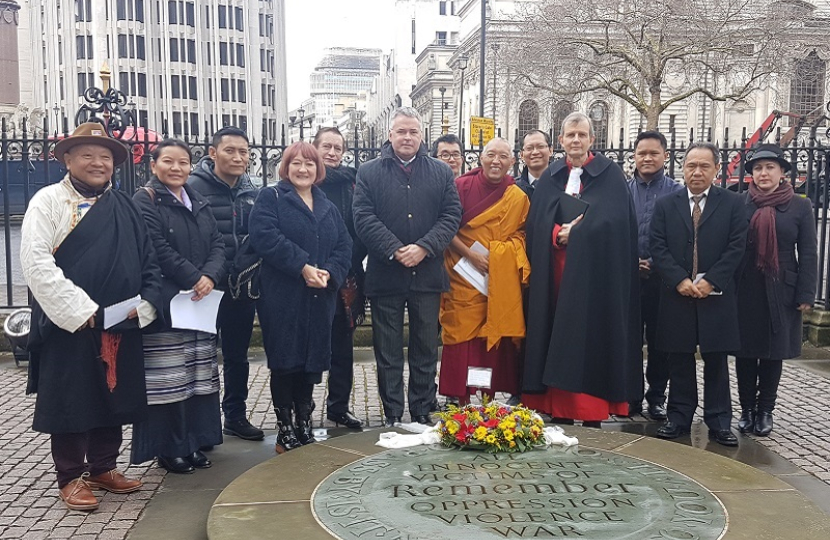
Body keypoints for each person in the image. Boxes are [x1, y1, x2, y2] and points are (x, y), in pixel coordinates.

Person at [20, 123, 162, 511]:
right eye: (87, 155)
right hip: (71, 322)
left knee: (113, 393)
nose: (98, 163)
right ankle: (69, 476)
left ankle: (103, 466)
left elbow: (148, 259)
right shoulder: (48, 202)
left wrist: (147, 303)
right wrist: (78, 310)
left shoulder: (126, 206)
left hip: (119, 320)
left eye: (105, 157)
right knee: (72, 397)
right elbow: (36, 262)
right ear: (67, 159)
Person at [523, 112, 641, 428]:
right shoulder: (551, 177)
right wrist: (555, 234)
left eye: (582, 135)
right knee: (555, 334)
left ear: (591, 139)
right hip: (555, 278)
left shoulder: (610, 175)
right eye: (570, 135)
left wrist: (578, 233)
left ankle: (592, 413)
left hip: (594, 279)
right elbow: (536, 224)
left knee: (591, 337)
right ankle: (558, 408)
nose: (576, 140)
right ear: (561, 140)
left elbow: (616, 224)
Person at [353, 107, 462, 427]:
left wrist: (425, 247)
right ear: (390, 135)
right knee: (387, 350)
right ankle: (392, 412)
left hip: (427, 275)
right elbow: (363, 217)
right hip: (386, 274)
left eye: (413, 132)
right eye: (401, 131)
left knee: (425, 348)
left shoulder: (441, 172)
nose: (407, 137)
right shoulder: (368, 172)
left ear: (422, 135)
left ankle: (422, 407)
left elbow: (451, 215)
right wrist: (394, 248)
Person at [249, 142, 352, 453]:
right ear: (286, 167)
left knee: (310, 363)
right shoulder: (271, 197)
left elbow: (344, 245)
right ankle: (285, 429)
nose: (303, 169)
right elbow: (265, 237)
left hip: (320, 297)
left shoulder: (326, 204)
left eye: (309, 164)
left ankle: (304, 424)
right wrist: (302, 266)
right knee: (285, 362)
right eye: (296, 163)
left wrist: (330, 273)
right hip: (283, 296)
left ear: (318, 169)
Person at [131, 139, 226, 474]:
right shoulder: (145, 200)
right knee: (168, 379)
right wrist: (194, 276)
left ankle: (195, 441)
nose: (176, 168)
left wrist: (210, 276)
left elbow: (217, 243)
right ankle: (170, 448)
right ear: (153, 165)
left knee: (198, 376)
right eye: (168, 161)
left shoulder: (197, 200)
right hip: (168, 301)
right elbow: (156, 247)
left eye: (183, 162)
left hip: (199, 302)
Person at [650, 142, 748, 447]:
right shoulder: (666, 204)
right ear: (682, 168)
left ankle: (719, 421)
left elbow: (737, 246)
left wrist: (712, 280)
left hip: (715, 296)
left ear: (717, 169)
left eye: (704, 166)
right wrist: (678, 279)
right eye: (691, 165)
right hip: (677, 294)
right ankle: (679, 417)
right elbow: (657, 245)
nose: (697, 172)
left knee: (716, 359)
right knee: (679, 358)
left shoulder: (732, 203)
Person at [438, 138, 530, 404]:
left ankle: (487, 395)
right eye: (491, 155)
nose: (496, 161)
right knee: (461, 338)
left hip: (496, 280)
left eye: (503, 156)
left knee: (490, 339)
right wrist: (471, 256)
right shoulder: (460, 187)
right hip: (462, 276)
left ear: (512, 161)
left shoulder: (517, 197)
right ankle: (459, 397)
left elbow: (522, 236)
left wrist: (499, 257)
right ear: (480, 158)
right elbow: (445, 228)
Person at [188, 126, 264, 442]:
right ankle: (200, 427)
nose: (237, 157)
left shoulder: (252, 190)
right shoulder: (193, 188)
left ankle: (235, 415)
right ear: (213, 153)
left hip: (240, 287)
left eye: (243, 152)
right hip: (204, 287)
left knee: (236, 356)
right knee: (201, 357)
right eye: (230, 150)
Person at [735, 144, 817, 436]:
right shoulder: (740, 203)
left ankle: (765, 410)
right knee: (745, 352)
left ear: (782, 172)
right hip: (746, 286)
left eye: (770, 167)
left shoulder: (800, 206)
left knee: (773, 352)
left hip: (781, 287)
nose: (763, 173)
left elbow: (808, 252)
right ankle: (746, 409)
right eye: (758, 168)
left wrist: (806, 293)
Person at [312, 127, 368, 430]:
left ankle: (338, 407)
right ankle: (302, 407)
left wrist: (342, 264)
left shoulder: (352, 183)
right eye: (327, 147)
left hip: (345, 276)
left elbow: (361, 228)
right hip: (309, 276)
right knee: (308, 347)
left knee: (343, 348)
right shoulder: (305, 180)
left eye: (337, 148)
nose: (332, 153)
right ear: (315, 148)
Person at [626, 131, 683, 420]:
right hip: (629, 279)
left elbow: (681, 237)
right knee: (630, 341)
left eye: (653, 153)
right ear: (634, 157)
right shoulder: (623, 191)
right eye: (642, 153)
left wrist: (655, 263)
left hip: (662, 280)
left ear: (665, 156)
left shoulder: (676, 193)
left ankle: (657, 396)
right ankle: (631, 396)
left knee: (661, 343)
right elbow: (614, 233)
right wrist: (631, 261)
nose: (647, 158)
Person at [516, 130, 554, 199]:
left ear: (550, 150)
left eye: (540, 146)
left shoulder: (563, 185)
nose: (535, 152)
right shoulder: (514, 188)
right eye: (529, 148)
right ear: (521, 155)